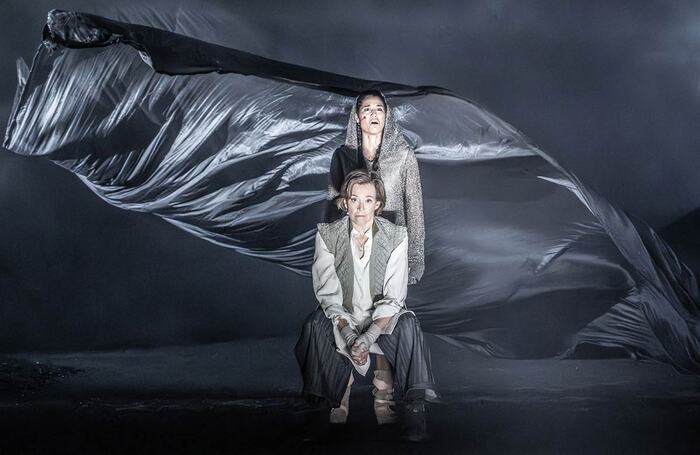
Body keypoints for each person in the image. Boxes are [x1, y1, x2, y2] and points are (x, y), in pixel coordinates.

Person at [296, 169, 439, 442]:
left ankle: (413, 409)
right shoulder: (327, 235)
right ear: (344, 203)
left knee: (409, 324)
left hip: (381, 322)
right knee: (314, 324)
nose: (361, 208)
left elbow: (394, 298)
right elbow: (328, 294)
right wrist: (350, 335)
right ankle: (323, 407)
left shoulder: (396, 236)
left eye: (368, 200)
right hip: (344, 319)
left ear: (378, 204)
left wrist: (368, 337)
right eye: (354, 200)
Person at [327, 89, 425, 286]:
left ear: (386, 115)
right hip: (354, 252)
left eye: (379, 109)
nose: (374, 114)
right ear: (357, 116)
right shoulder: (342, 156)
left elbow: (414, 210)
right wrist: (330, 254)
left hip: (392, 251)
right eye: (367, 109)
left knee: (387, 312)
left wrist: (414, 261)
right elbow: (332, 208)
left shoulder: (404, 156)